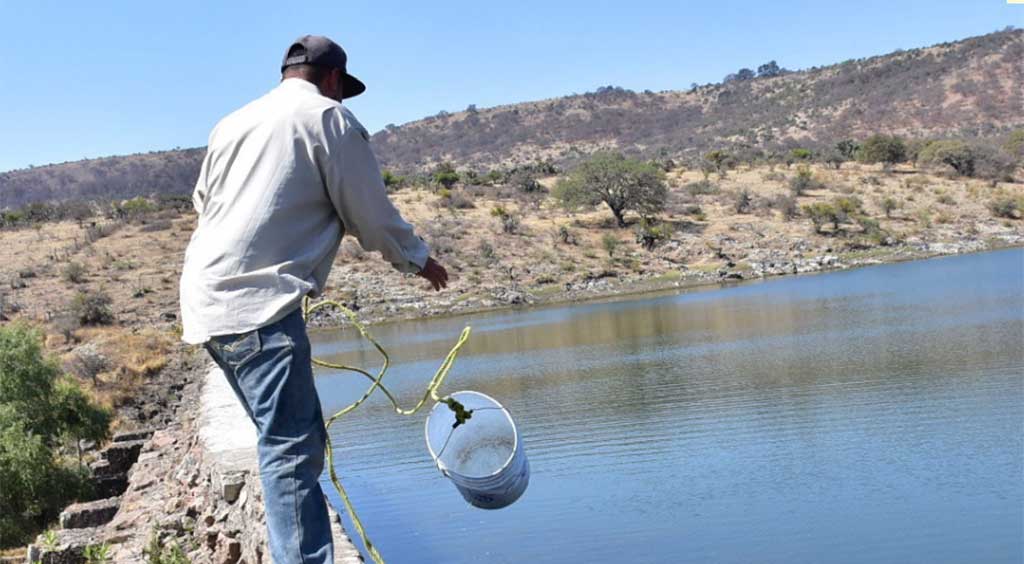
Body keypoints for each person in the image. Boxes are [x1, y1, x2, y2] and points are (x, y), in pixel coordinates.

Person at [179, 35, 448, 563]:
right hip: (258, 306)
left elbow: (203, 202)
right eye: (341, 89)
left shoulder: (230, 124)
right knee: (292, 449)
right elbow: (368, 213)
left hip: (207, 302)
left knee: (286, 437)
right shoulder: (330, 119)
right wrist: (418, 258)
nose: (341, 98)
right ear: (331, 80)